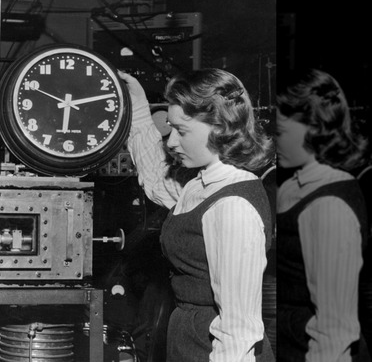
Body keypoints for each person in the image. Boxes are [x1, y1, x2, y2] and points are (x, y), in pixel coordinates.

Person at [119, 68, 274, 361]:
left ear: (219, 127)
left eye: (182, 131)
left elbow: (238, 330)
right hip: (190, 341)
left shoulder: (233, 207)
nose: (172, 142)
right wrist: (138, 109)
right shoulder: (199, 185)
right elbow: (157, 180)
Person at [275, 68, 368, 362]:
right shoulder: (291, 184)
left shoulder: (329, 206)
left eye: (280, 132)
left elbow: (334, 333)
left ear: (314, 127)